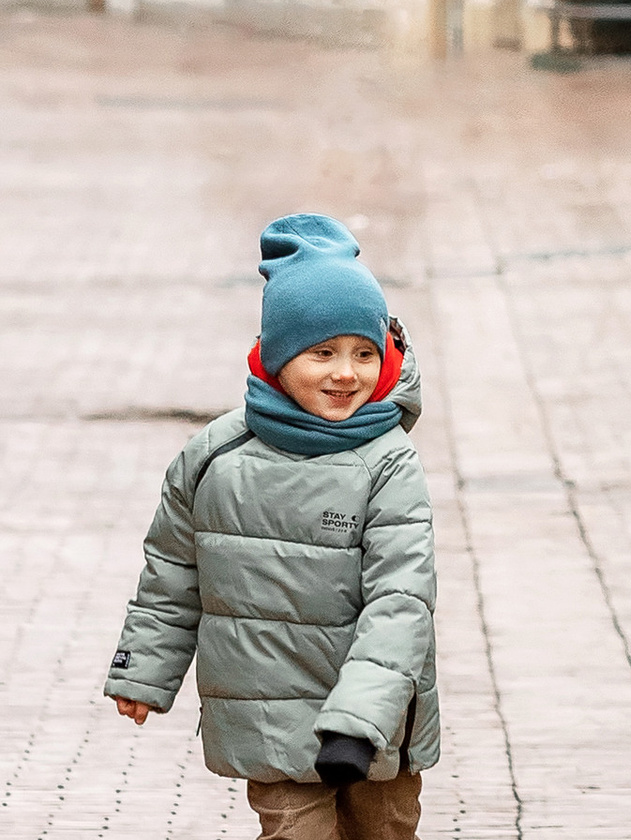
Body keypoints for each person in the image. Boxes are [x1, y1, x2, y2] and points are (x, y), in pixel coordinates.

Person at [103, 214, 438, 839]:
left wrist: (358, 720)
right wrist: (144, 668)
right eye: (323, 353)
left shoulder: (387, 462)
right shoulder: (215, 456)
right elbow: (175, 569)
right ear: (277, 356)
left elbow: (402, 600)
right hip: (267, 716)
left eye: (365, 353)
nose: (347, 372)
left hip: (375, 724)